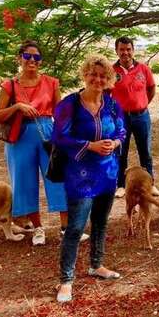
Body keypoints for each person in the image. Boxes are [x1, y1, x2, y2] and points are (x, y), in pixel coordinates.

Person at [53, 56, 126, 303]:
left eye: (103, 76)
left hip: (108, 172)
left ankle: (96, 265)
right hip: (80, 175)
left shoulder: (112, 105)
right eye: (93, 74)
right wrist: (90, 145)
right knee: (75, 227)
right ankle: (66, 280)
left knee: (101, 222)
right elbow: (59, 137)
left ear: (109, 80)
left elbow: (121, 131)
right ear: (85, 75)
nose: (98, 79)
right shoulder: (69, 105)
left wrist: (114, 143)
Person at [0, 41, 68, 246]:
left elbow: (60, 113)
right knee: (25, 182)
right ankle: (38, 228)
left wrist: (65, 136)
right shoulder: (9, 85)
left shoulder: (51, 82)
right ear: (19, 58)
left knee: (58, 177)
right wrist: (18, 107)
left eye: (36, 57)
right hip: (20, 136)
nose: (32, 60)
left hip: (47, 133)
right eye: (27, 56)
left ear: (41, 61)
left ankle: (66, 228)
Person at [109, 36, 159, 198]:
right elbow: (105, 94)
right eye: (122, 49)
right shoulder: (111, 71)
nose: (125, 53)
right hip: (120, 118)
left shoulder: (143, 69)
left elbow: (151, 89)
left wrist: (142, 104)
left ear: (133, 50)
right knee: (120, 152)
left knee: (145, 151)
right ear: (116, 51)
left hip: (141, 116)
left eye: (128, 49)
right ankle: (121, 185)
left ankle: (150, 184)